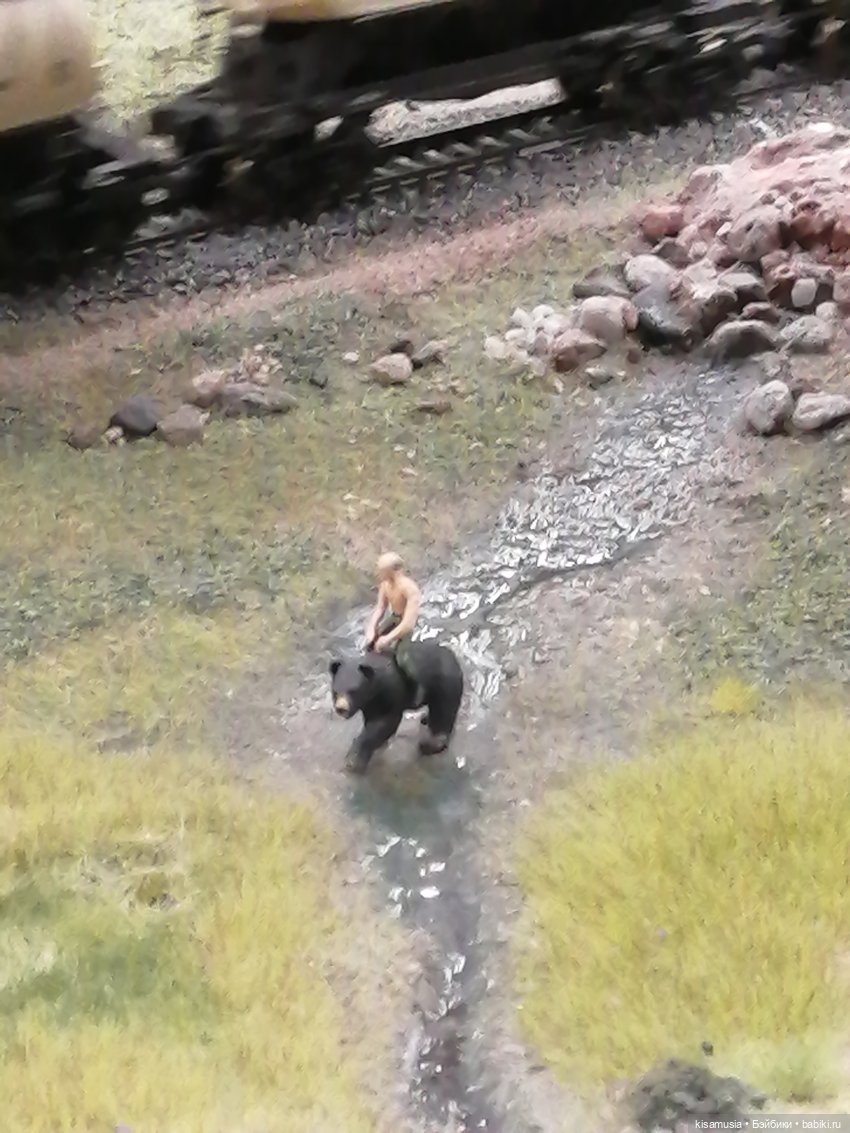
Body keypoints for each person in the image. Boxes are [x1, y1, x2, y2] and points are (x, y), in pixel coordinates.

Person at [364, 551, 421, 687]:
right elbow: (380, 608)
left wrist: (387, 638)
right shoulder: (385, 585)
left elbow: (408, 624)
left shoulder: (409, 589)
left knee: (402, 659)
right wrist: (372, 628)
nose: (379, 574)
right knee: (370, 645)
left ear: (391, 571)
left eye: (382, 571)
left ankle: (414, 686)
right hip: (394, 617)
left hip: (406, 623)